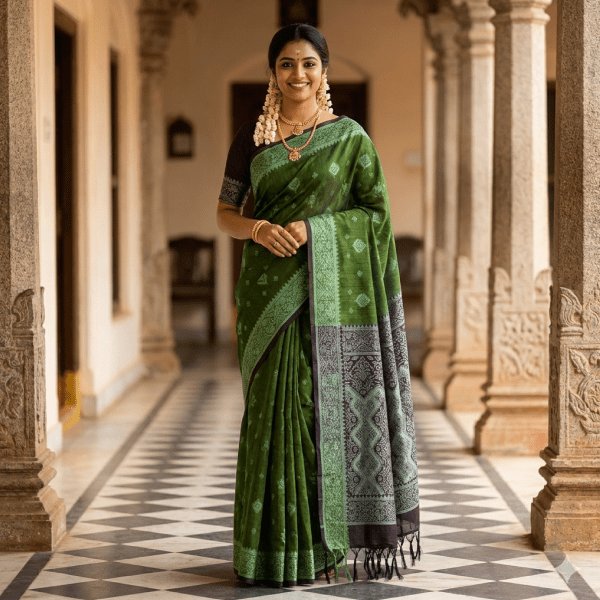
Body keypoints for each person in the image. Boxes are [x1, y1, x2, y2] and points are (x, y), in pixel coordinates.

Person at [216, 23, 420, 588]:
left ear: (323, 72)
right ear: (272, 72)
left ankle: (320, 548)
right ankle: (267, 552)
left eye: (308, 63)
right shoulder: (251, 139)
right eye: (286, 64)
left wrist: (317, 229)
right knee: (270, 414)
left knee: (317, 410)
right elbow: (224, 213)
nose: (297, 74)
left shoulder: (351, 138)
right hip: (266, 294)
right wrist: (258, 229)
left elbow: (377, 217)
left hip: (330, 295)